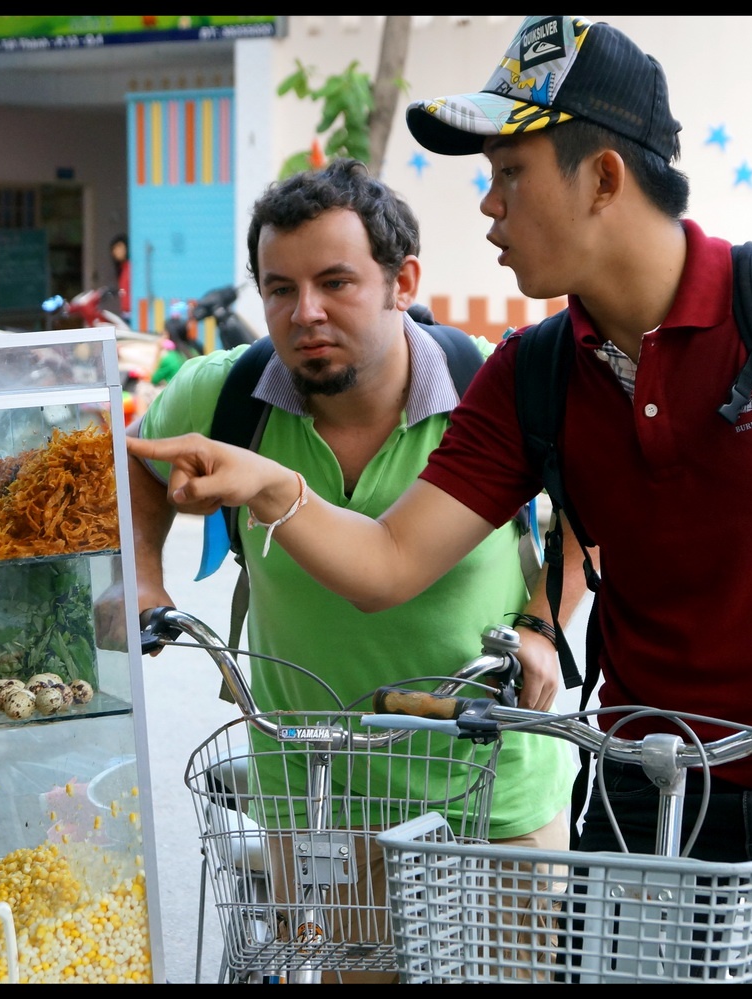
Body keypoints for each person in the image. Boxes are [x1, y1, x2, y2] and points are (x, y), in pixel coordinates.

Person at [126, 17, 752, 985]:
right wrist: (272, 486)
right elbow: (387, 566)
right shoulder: (531, 374)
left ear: (602, 178)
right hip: (655, 787)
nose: (489, 208)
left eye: (510, 175)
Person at [110, 158, 588, 982]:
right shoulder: (225, 396)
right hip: (318, 794)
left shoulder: (491, 387)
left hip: (494, 787)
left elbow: (592, 503)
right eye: (279, 288)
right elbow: (135, 471)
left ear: (403, 280)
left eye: (336, 282)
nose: (306, 314)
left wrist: (545, 626)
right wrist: (142, 578)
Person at [109, 233, 132, 320]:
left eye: (119, 247)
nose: (116, 251)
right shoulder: (122, 268)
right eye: (114, 248)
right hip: (125, 313)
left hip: (133, 312)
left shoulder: (132, 267)